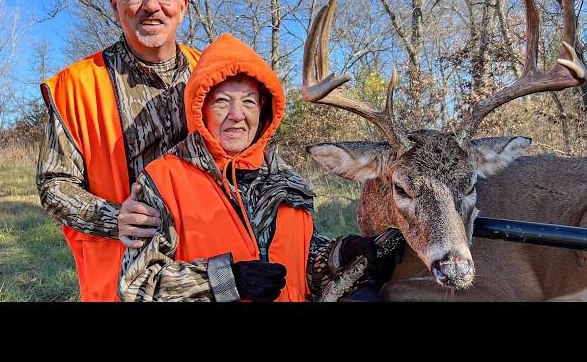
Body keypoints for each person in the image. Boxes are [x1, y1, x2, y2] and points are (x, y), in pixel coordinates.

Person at [118, 33, 400, 301]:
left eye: (248, 102)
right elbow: (137, 285)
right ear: (200, 108)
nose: (237, 115)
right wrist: (228, 279)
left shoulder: (289, 182)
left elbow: (304, 265)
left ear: (263, 109)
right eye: (222, 102)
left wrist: (344, 253)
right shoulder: (163, 180)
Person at [37, 0, 200, 302]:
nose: (152, 5)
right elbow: (54, 185)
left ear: (183, 5)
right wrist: (115, 218)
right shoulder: (75, 86)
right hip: (119, 285)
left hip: (210, 275)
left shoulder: (214, 75)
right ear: (115, 3)